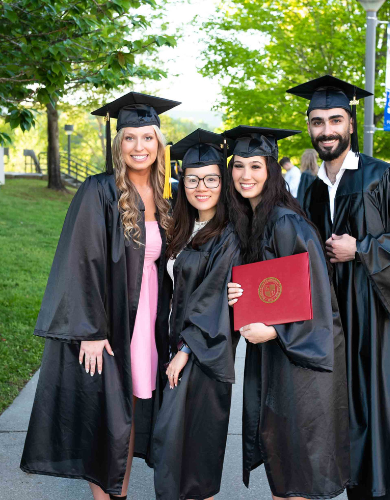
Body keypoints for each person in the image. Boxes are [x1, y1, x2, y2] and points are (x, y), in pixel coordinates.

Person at [20, 92, 181, 499]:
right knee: (107, 417)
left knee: (127, 417)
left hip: (148, 320)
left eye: (148, 138)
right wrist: (89, 329)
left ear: (160, 144)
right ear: (118, 144)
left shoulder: (169, 196)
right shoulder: (99, 191)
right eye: (130, 138)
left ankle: (119, 492)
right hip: (109, 322)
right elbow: (79, 260)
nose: (139, 147)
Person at [287, 74, 390, 500]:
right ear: (310, 128)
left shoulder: (383, 176)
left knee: (384, 420)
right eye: (317, 122)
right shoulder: (312, 188)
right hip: (335, 324)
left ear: (351, 124)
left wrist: (364, 248)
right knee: (346, 423)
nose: (326, 130)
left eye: (335, 120)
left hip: (379, 322)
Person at [224, 125, 349, 500]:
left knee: (297, 466)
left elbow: (318, 298)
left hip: (302, 361)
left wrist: (275, 332)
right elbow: (272, 289)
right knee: (283, 461)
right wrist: (238, 294)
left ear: (271, 172)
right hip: (281, 359)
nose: (246, 175)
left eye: (256, 167)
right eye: (239, 166)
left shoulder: (284, 221)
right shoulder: (254, 219)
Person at [153, 129, 240, 500]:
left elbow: (214, 297)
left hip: (206, 352)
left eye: (210, 179)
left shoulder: (229, 235)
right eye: (192, 179)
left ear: (223, 183)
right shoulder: (180, 227)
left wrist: (186, 351)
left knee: (196, 452)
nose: (200, 186)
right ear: (181, 180)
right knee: (176, 447)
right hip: (177, 346)